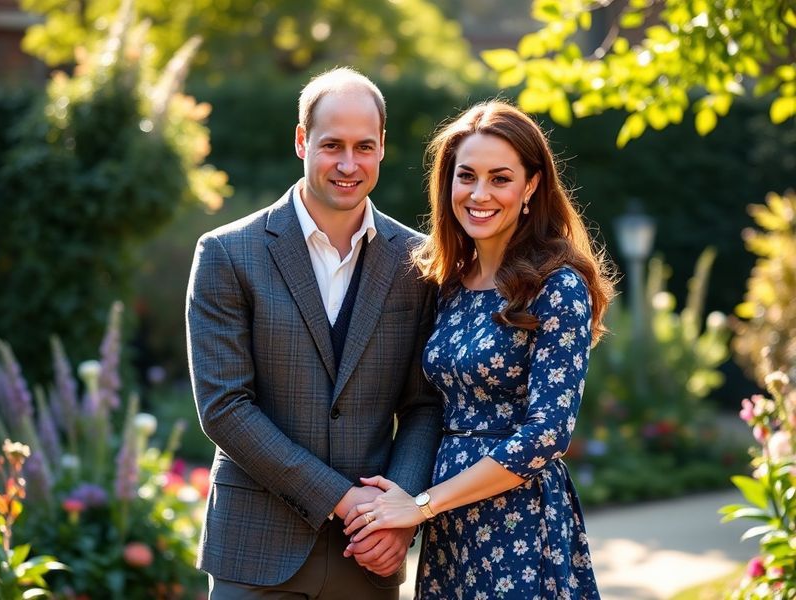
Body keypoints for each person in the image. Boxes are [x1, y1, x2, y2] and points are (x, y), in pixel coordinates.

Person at [186, 67, 442, 599]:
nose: (348, 164)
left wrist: (401, 511)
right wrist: (345, 501)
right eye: (332, 145)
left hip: (369, 554)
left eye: (363, 147)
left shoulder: (418, 261)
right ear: (302, 141)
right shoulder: (228, 254)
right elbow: (225, 408)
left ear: (382, 148)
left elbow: (424, 405)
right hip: (255, 551)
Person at [343, 100, 614, 599]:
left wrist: (422, 504)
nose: (480, 194)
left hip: (518, 522)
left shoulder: (557, 286)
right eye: (466, 176)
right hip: (449, 532)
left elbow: (547, 434)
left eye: (500, 178)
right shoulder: (446, 283)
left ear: (531, 185)